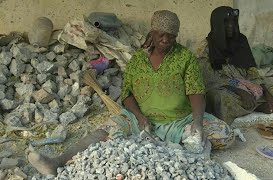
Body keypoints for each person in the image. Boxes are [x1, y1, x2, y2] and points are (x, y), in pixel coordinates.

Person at [27, 10, 234, 176]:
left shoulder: (185, 58)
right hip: (140, 121)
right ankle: (56, 162)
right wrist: (139, 116)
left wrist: (197, 122)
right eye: (161, 34)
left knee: (224, 134)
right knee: (104, 131)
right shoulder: (137, 61)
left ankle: (167, 142)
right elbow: (127, 95)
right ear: (152, 33)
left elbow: (196, 92)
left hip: (180, 121)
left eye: (170, 36)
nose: (165, 40)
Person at [197, 6, 273, 125]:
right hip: (225, 88)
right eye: (226, 22)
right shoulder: (205, 48)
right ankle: (258, 107)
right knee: (220, 99)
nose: (231, 26)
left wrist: (267, 94)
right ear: (217, 24)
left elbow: (252, 70)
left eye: (233, 22)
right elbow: (210, 81)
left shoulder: (241, 41)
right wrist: (240, 91)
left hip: (249, 86)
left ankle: (254, 106)